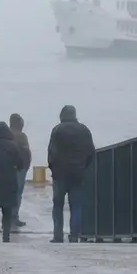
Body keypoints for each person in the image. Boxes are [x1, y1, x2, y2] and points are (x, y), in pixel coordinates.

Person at [47, 104, 96, 243]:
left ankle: (58, 235)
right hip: (78, 174)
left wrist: (53, 168)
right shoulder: (84, 130)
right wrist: (84, 167)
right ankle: (74, 235)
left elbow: (51, 152)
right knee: (76, 206)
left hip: (60, 174)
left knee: (58, 206)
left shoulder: (57, 130)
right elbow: (91, 152)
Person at [0, 121, 26, 242]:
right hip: (9, 182)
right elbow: (20, 164)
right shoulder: (13, 146)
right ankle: (6, 236)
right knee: (7, 211)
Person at [9, 113, 32, 228]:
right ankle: (14, 217)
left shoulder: (6, 134)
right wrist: (26, 167)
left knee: (7, 193)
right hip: (20, 169)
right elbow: (26, 153)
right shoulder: (22, 136)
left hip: (7, 169)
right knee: (17, 194)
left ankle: (7, 217)